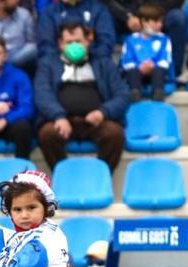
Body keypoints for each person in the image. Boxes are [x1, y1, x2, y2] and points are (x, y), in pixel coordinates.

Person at [35, 22, 129, 172]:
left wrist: (103, 112)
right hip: (62, 121)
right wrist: (58, 116)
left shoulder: (103, 63)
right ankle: (64, 176)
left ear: (87, 41)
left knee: (115, 134)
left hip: (96, 121)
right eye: (69, 42)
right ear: (60, 44)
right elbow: (42, 93)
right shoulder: (48, 64)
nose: (74, 46)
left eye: (78, 41)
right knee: (47, 134)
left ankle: (100, 177)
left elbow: (122, 94)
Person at [106, 0, 188, 79]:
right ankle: (108, 74)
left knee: (178, 17)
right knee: (103, 15)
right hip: (126, 15)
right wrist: (128, 16)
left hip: (158, 12)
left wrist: (149, 15)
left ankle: (172, 75)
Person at [121, 3, 172, 101]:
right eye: (156, 21)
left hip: (156, 70)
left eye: (161, 21)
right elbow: (126, 61)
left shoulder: (164, 39)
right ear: (144, 22)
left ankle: (158, 94)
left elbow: (166, 59)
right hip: (137, 71)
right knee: (132, 72)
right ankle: (135, 94)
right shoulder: (131, 39)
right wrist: (139, 67)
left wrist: (153, 65)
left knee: (159, 71)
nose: (160, 24)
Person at [37, 0, 116, 60]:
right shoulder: (50, 13)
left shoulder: (98, 10)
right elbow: (46, 46)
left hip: (94, 64)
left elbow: (106, 43)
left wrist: (86, 56)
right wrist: (64, 60)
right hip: (57, 67)